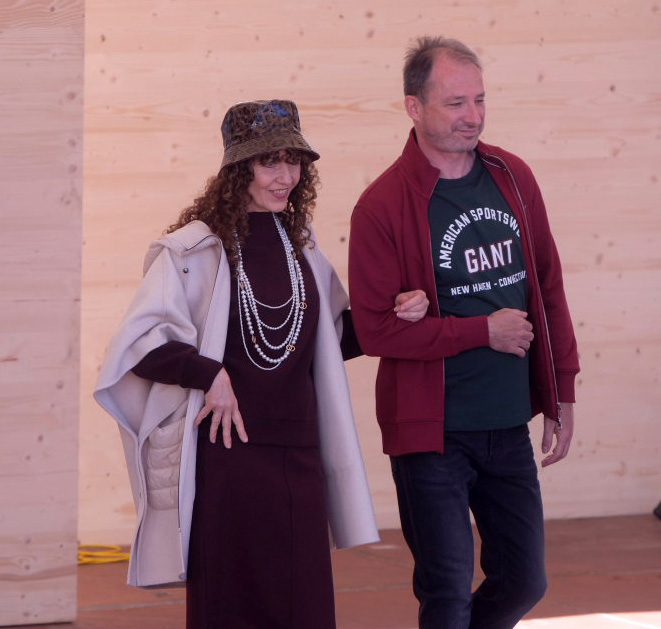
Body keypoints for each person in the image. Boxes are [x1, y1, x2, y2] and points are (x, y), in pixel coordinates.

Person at [94, 99, 428, 629]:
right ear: (238, 169)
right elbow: (138, 344)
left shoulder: (301, 247)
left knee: (303, 608)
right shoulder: (194, 250)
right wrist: (210, 374)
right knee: (230, 607)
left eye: (294, 161)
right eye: (270, 162)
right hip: (227, 459)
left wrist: (393, 313)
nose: (286, 177)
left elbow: (328, 340)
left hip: (298, 457)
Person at [348, 37, 580, 629]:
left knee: (525, 581)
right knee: (447, 593)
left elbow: (547, 287)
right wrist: (482, 331)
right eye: (455, 103)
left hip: (507, 422)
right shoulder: (381, 206)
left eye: (479, 100)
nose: (472, 116)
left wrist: (562, 389)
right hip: (431, 435)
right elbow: (375, 333)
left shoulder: (513, 177)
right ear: (414, 107)